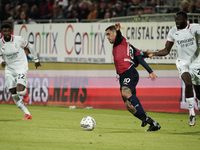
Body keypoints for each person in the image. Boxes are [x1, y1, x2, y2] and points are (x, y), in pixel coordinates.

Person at [146, 11, 200, 126]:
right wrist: (153, 54)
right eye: (176, 19)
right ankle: (191, 114)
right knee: (188, 83)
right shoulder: (173, 31)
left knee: (199, 93)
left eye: (179, 19)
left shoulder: (195, 28)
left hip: (196, 63)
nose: (177, 21)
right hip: (183, 62)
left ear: (186, 19)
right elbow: (166, 50)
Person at [105, 23, 161, 131]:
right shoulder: (130, 47)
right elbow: (140, 57)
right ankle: (153, 123)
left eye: (108, 34)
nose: (107, 37)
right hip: (123, 76)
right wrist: (149, 54)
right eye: (106, 35)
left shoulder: (119, 40)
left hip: (129, 72)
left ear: (115, 33)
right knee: (129, 106)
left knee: (125, 93)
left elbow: (119, 37)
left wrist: (150, 71)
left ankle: (145, 117)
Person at [0, 23, 41, 120]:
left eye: (9, 31)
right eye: (4, 31)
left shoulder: (19, 39)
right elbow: (0, 56)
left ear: (11, 31)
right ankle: (27, 114)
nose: (7, 33)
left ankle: (25, 92)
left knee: (20, 92)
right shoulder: (0, 43)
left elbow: (30, 46)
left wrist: (36, 59)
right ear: (1, 32)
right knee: (13, 93)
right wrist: (2, 62)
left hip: (21, 67)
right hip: (9, 69)